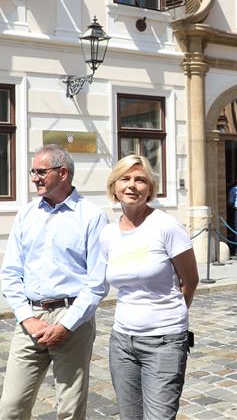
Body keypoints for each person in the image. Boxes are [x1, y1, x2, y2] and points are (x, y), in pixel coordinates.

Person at [0, 144, 109, 420]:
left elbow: (97, 282)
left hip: (72, 318)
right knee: (11, 408)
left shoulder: (92, 216)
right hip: (31, 319)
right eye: (32, 171)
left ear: (63, 173)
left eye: (40, 171)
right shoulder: (26, 214)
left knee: (70, 410)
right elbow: (10, 273)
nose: (34, 177)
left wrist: (66, 325)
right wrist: (27, 318)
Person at [100, 154, 199, 420]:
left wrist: (169, 315)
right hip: (121, 342)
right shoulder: (108, 234)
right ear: (114, 187)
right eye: (125, 178)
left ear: (150, 189)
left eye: (140, 180)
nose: (132, 185)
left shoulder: (166, 227)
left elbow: (190, 281)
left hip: (164, 341)